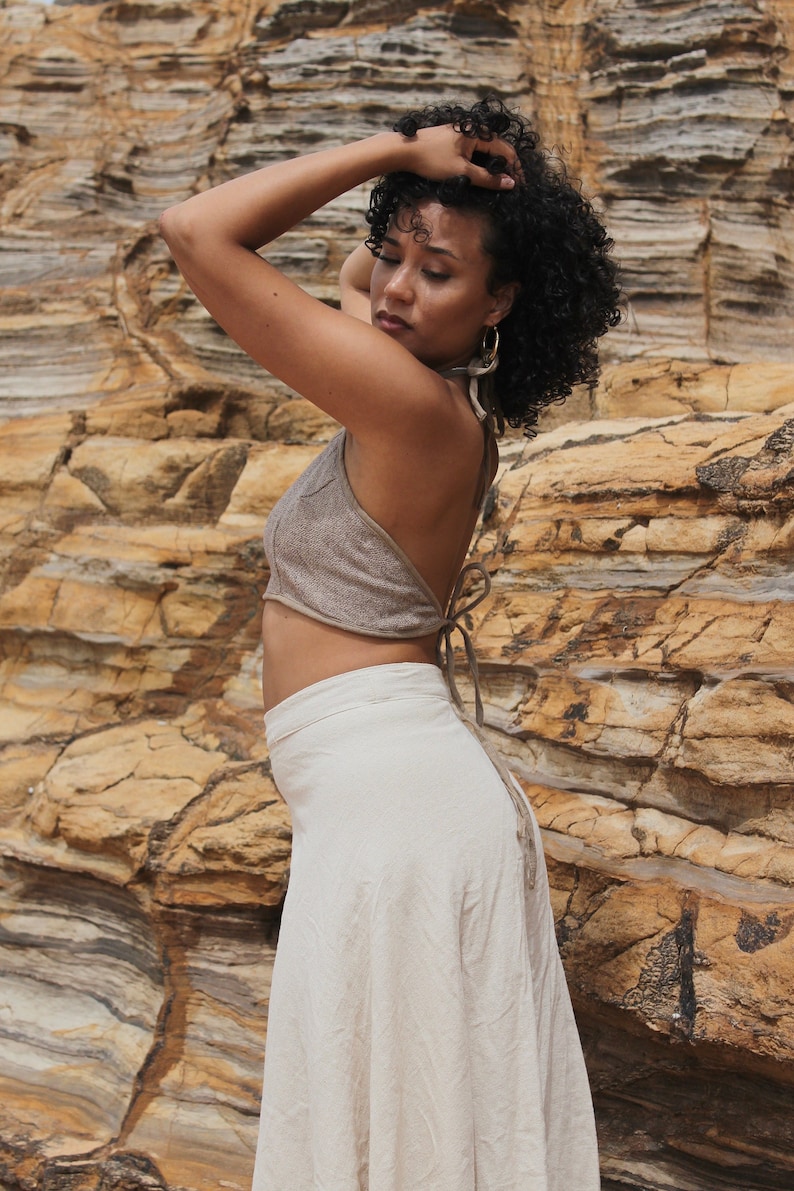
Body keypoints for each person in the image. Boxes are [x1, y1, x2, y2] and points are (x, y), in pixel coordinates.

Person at [160, 95, 620, 1191]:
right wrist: (425, 198)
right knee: (407, 1134)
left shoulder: (410, 410)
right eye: (392, 254)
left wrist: (392, 153)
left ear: (501, 298)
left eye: (441, 272)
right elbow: (356, 277)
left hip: (397, 818)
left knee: (402, 1143)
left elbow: (195, 232)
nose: (397, 289)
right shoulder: (432, 385)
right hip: (382, 807)